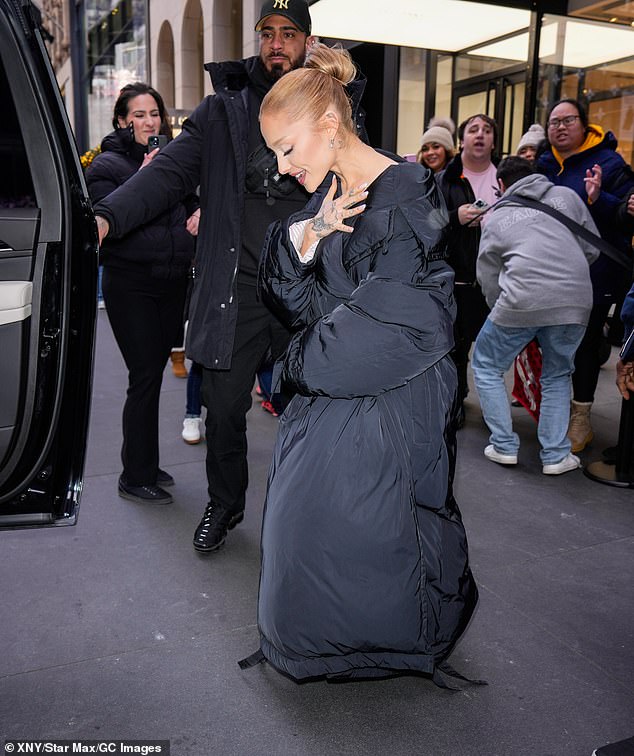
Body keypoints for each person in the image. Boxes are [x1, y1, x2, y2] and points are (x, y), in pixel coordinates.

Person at [93, 0, 368, 552]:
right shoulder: (222, 110)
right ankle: (225, 505)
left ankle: (307, 518)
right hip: (235, 290)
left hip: (307, 290)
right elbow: (168, 173)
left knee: (311, 409)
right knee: (222, 411)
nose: (276, 43)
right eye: (267, 32)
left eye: (289, 34)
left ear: (308, 43)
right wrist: (105, 217)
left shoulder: (331, 107)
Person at [247, 43, 477, 683]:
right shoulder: (336, 197)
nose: (281, 166)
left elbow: (399, 320)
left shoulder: (405, 194)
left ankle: (391, 643)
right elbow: (308, 304)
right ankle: (335, 642)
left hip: (390, 392)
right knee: (315, 525)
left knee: (372, 525)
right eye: (273, 153)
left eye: (287, 148)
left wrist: (293, 366)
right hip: (341, 378)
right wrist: (309, 237)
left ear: (328, 124)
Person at [86, 83, 199, 504]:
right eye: (139, 115)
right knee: (145, 376)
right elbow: (111, 225)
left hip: (170, 283)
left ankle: (145, 463)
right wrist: (145, 177)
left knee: (152, 376)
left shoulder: (173, 164)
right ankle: (134, 475)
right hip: (131, 285)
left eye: (155, 113)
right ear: (121, 120)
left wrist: (198, 213)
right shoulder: (107, 166)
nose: (149, 122)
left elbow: (189, 205)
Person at [472, 156, 599, 474]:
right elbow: (592, 248)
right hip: (574, 302)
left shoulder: (497, 215)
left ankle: (503, 446)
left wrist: (496, 306)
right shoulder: (567, 196)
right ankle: (556, 456)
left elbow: (487, 274)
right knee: (557, 374)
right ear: (535, 176)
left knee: (487, 366)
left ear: (501, 185)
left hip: (520, 301)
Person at [536, 98, 634, 453]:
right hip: (549, 275)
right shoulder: (544, 163)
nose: (560, 127)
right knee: (553, 345)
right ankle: (554, 410)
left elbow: (628, 215)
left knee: (585, 347)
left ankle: (580, 417)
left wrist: (599, 199)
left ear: (584, 125)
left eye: (568, 120)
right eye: (554, 122)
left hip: (595, 277)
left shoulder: (609, 163)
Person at [437, 114, 498, 426]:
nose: (480, 135)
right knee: (456, 347)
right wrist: (454, 217)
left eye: (487, 131)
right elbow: (427, 225)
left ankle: (495, 409)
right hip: (458, 279)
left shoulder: (503, 179)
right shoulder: (445, 180)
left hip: (497, 281)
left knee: (491, 348)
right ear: (463, 139)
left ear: (493, 141)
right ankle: (456, 399)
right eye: (473, 130)